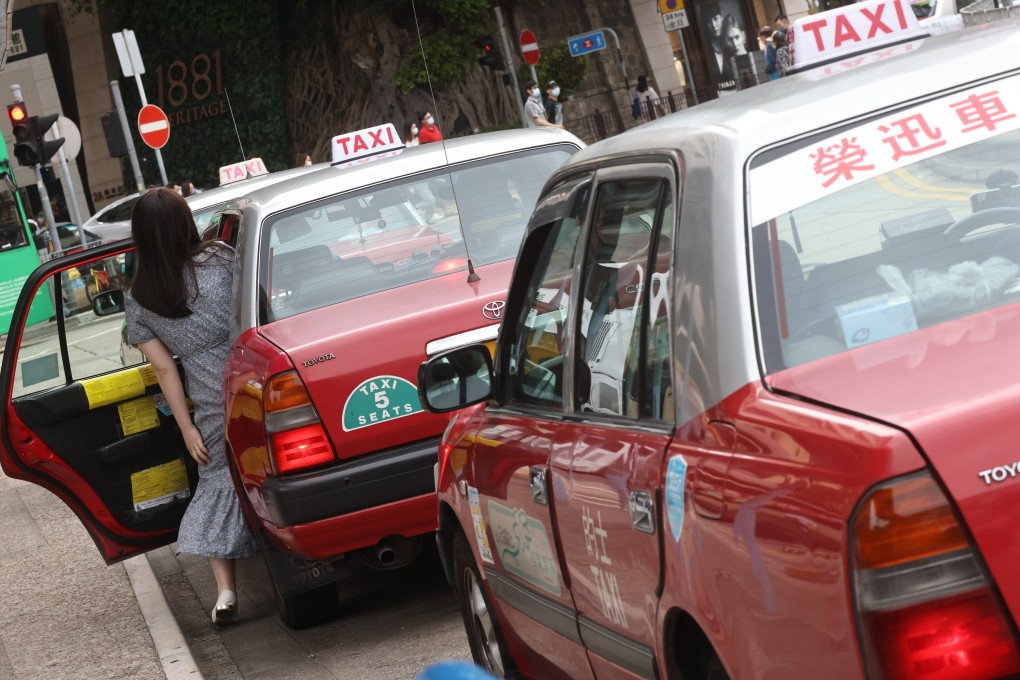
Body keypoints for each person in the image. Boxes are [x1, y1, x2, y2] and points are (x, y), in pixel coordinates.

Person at [124, 188, 258, 626]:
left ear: (140, 236)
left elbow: (165, 371)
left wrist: (186, 428)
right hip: (257, 371)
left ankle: (225, 591)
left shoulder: (140, 297)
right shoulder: (221, 258)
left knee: (218, 476)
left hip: (210, 398)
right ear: (184, 222)